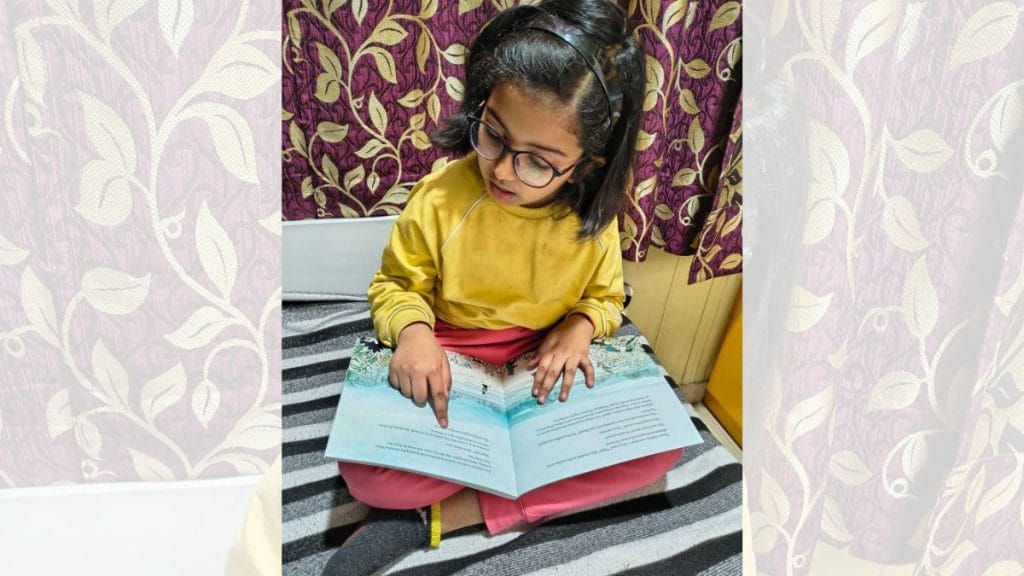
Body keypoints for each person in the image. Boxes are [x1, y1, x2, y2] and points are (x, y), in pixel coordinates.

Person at [322, 1, 682, 573]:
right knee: (365, 473)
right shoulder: (444, 197)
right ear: (480, 106)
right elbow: (395, 285)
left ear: (587, 165)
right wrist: (414, 336)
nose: (505, 171)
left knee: (657, 454)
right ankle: (478, 492)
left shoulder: (593, 219)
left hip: (541, 360)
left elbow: (606, 297)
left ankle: (442, 516)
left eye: (539, 162)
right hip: (454, 352)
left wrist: (578, 327)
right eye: (493, 134)